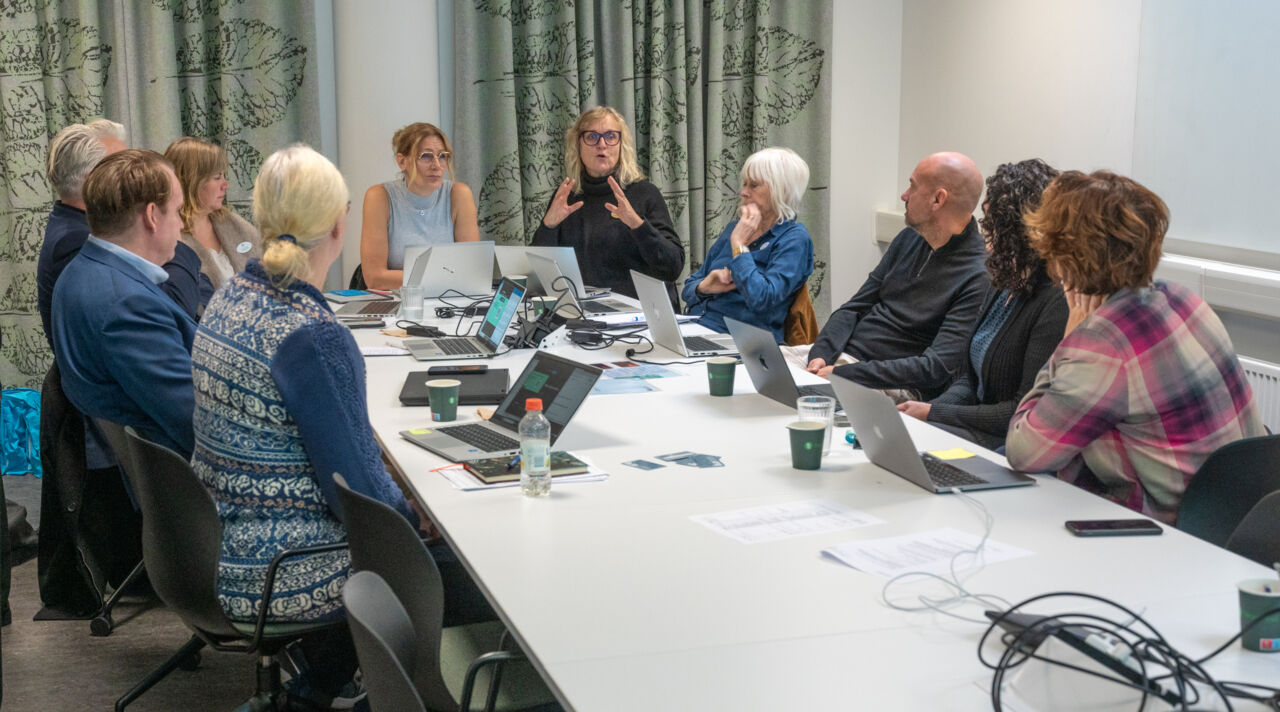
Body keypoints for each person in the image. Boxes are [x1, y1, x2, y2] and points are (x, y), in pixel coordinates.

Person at [191, 145, 489, 707]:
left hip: (220, 539)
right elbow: (365, 503)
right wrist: (423, 517)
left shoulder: (232, 296)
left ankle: (311, 690)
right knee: (477, 557)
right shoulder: (311, 334)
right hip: (279, 568)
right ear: (337, 224)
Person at [1006, 170, 1265, 524]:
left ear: (1067, 254)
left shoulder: (1101, 347)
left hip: (1166, 529)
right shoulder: (1182, 298)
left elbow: (1023, 451)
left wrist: (1069, 340)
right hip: (1235, 512)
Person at [897, 159, 1067, 450]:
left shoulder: (1054, 302)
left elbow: (1020, 412)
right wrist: (923, 412)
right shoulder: (1003, 282)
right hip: (970, 427)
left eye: (992, 223)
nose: (985, 232)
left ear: (1020, 231)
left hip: (1007, 443)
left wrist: (934, 413)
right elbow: (966, 380)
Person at [803, 152, 989, 400]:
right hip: (842, 362)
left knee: (797, 401)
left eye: (912, 186)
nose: (904, 195)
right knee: (757, 370)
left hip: (888, 382)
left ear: (938, 199)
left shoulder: (979, 274)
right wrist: (820, 354)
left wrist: (848, 373)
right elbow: (853, 308)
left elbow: (935, 368)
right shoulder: (909, 238)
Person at [51, 149, 197, 457]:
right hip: (181, 479)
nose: (182, 225)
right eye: (177, 210)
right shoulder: (127, 305)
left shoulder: (82, 270)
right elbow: (196, 419)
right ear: (153, 216)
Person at [38, 120, 201, 345]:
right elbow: (171, 307)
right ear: (94, 180)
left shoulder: (73, 225)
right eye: (120, 167)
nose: (134, 173)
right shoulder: (74, 241)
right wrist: (173, 236)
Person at [532, 106, 684, 303]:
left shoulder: (645, 193)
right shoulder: (567, 197)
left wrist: (638, 225)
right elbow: (539, 276)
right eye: (592, 136)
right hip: (583, 313)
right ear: (578, 145)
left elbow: (673, 268)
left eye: (611, 136)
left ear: (622, 145)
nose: (601, 144)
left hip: (638, 315)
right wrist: (548, 226)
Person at [681, 147, 814, 343]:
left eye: (754, 185)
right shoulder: (735, 227)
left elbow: (764, 300)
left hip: (744, 343)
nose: (743, 192)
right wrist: (704, 287)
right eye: (744, 184)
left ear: (781, 189)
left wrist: (739, 246)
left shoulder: (794, 239)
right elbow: (688, 288)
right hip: (698, 328)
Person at [359, 122, 479, 289]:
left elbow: (471, 269)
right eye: (426, 156)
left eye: (442, 156)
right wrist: (443, 276)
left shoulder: (459, 194)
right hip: (397, 302)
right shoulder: (379, 197)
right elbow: (375, 278)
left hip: (447, 301)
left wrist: (427, 278)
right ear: (402, 162)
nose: (437, 165)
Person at [164, 137, 260, 307]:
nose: (226, 185)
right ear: (191, 181)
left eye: (224, 176)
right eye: (217, 177)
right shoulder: (168, 237)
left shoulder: (233, 224)